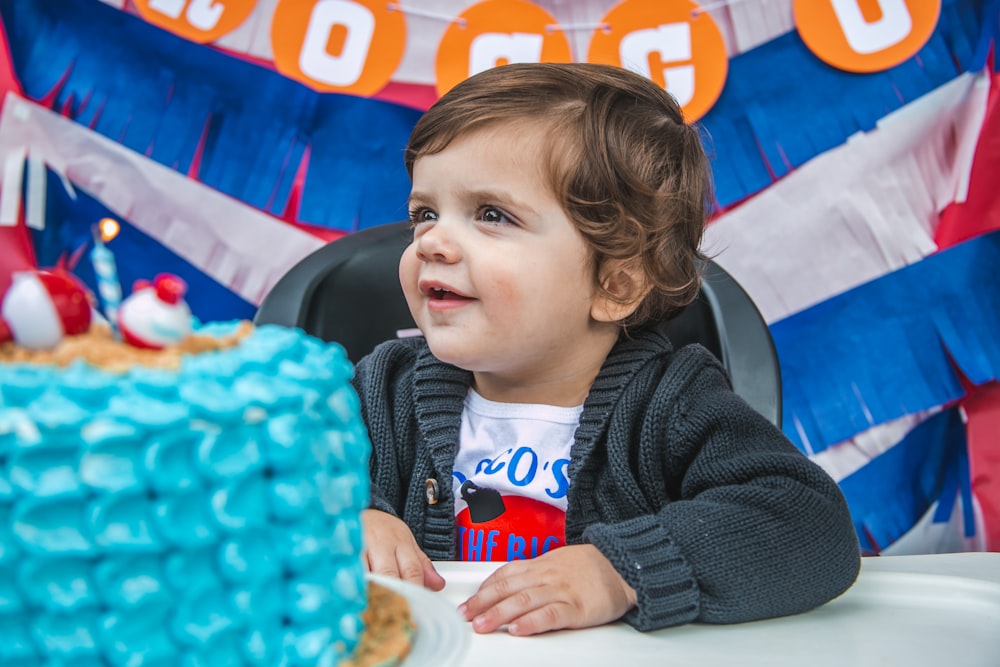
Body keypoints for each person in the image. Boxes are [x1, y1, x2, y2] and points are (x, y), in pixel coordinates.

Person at [352, 62, 860, 637]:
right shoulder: (380, 388)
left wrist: (623, 571)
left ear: (613, 285)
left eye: (491, 214)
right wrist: (348, 515)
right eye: (425, 213)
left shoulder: (674, 402)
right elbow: (261, 469)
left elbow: (807, 522)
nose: (432, 242)